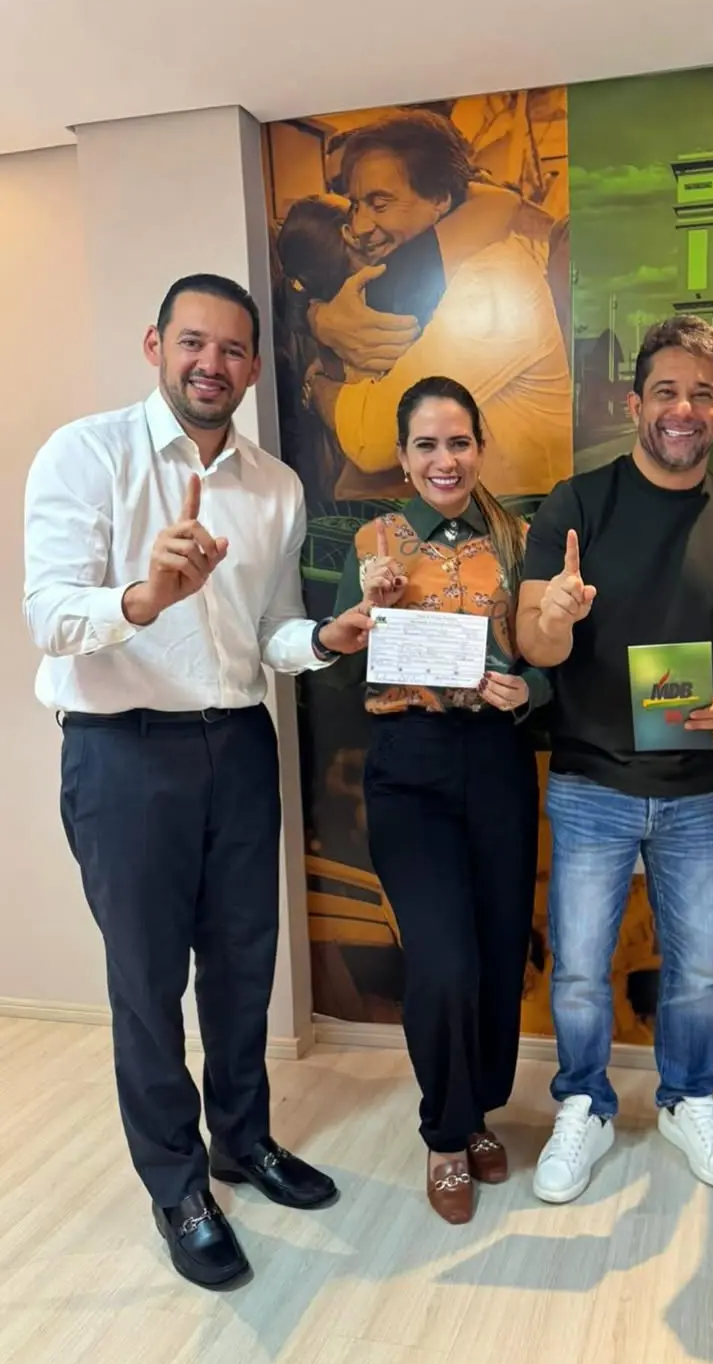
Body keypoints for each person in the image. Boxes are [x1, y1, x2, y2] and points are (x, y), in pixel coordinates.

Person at [22, 273, 374, 1289]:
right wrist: (144, 596)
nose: (210, 364)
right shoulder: (87, 454)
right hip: (123, 749)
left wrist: (327, 638)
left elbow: (270, 633)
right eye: (192, 342)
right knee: (146, 982)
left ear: (254, 367)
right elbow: (47, 614)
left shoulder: (275, 486)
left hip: (239, 740)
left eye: (230, 349)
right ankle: (177, 1185)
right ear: (156, 346)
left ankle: (242, 1140)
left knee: (242, 962)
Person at [516, 315, 713, 1204]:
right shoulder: (576, 505)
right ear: (634, 404)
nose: (683, 409)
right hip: (590, 780)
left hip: (697, 787)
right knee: (580, 970)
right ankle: (584, 1104)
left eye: (702, 394)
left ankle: (688, 1099)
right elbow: (534, 646)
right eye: (666, 391)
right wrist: (555, 616)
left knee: (697, 972)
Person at [324, 375, 549, 1224]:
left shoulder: (518, 540)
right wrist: (362, 614)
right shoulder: (374, 543)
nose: (444, 460)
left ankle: (479, 1109)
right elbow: (337, 671)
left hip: (496, 760)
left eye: (458, 442)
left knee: (496, 952)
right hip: (408, 766)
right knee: (444, 960)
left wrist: (528, 692)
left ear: (480, 447)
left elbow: (545, 658)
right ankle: (445, 1135)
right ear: (403, 455)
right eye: (426, 445)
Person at [302, 108, 572, 499]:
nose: (358, 227)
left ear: (440, 201)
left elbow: (371, 437)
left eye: (380, 204)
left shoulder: (492, 283)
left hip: (523, 522)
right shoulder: (424, 282)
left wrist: (315, 385)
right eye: (356, 205)